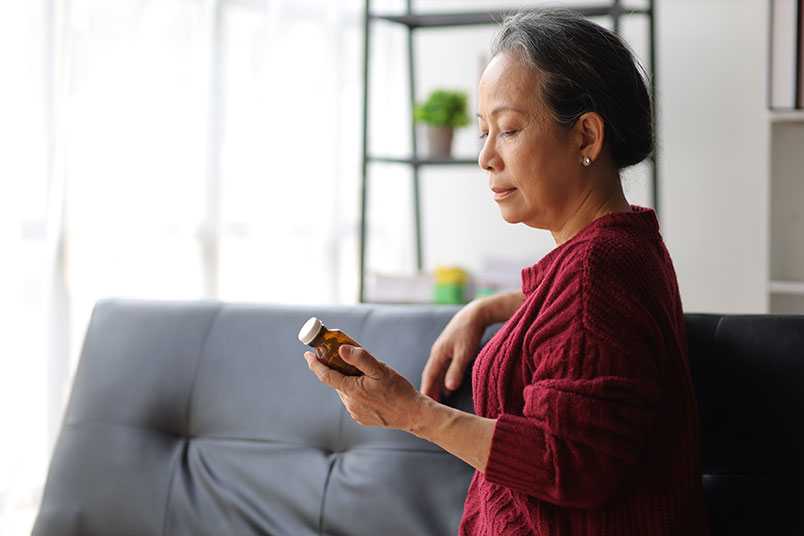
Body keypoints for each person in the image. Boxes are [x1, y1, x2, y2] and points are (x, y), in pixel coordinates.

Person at [305, 10, 708, 535]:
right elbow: (583, 325)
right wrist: (489, 307)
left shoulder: (598, 271)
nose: (485, 157)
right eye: (483, 132)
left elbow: (570, 463)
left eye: (510, 129)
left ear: (586, 136)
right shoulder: (624, 248)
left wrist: (413, 413)